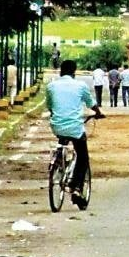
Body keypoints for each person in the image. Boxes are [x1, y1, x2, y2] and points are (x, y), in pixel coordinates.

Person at [46, 60, 104, 205]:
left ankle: (59, 163)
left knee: (63, 139)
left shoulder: (51, 85)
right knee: (83, 156)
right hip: (75, 128)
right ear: (74, 72)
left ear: (60, 71)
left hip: (57, 126)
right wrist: (98, 113)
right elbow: (91, 103)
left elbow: (50, 105)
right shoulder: (80, 86)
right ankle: (76, 187)